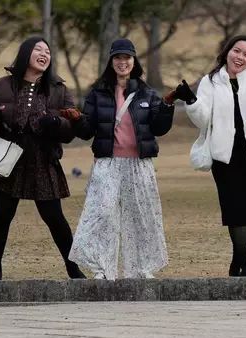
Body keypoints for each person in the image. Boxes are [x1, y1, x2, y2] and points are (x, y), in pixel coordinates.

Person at [0, 36, 86, 280]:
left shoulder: (58, 88)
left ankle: (74, 271)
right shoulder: (2, 84)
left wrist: (56, 122)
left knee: (55, 218)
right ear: (26, 54)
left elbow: (72, 126)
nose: (45, 54)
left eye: (48, 51)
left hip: (43, 159)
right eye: (38, 49)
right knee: (2, 216)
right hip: (9, 160)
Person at [61, 38, 175, 280]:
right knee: (102, 213)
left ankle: (142, 269)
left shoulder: (146, 92)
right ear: (111, 62)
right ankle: (102, 268)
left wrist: (166, 104)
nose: (123, 62)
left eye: (127, 58)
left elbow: (159, 128)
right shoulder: (98, 93)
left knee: (142, 215)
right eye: (118, 58)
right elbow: (87, 130)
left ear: (134, 61)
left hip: (139, 163)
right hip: (108, 162)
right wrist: (76, 118)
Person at [172, 35, 246, 277]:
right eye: (236, 51)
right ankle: (245, 264)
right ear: (227, 52)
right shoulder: (211, 81)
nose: (240, 57)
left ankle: (237, 261)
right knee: (234, 210)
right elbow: (204, 119)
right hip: (225, 157)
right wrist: (192, 100)